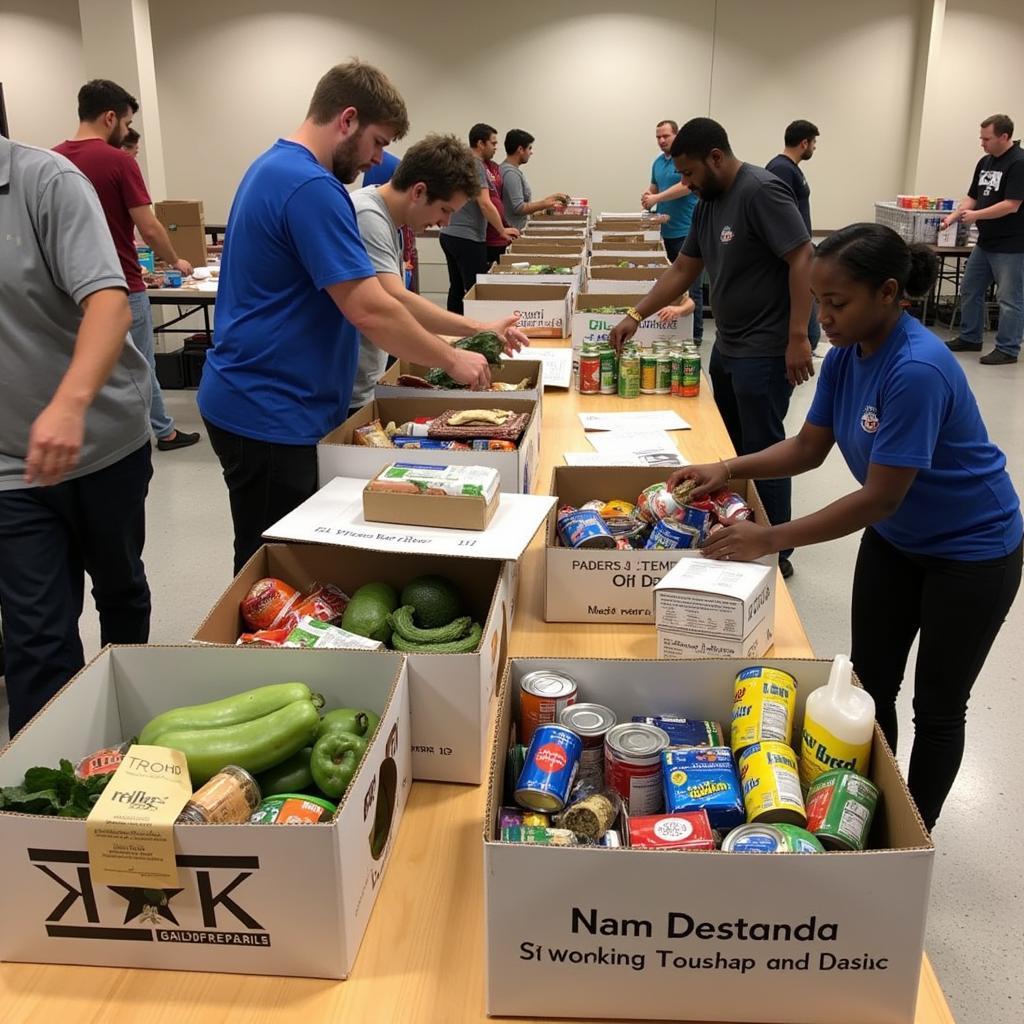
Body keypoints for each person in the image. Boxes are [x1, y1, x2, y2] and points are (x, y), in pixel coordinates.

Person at [669, 223, 1022, 831]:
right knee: (868, 682)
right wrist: (724, 466)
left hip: (972, 553)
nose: (823, 318)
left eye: (837, 303)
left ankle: (910, 838)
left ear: (888, 292)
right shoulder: (847, 352)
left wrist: (770, 537)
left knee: (938, 706)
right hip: (898, 542)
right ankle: (853, 811)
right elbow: (809, 447)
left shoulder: (916, 369)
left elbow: (879, 499)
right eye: (819, 302)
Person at [197, 60, 492, 574]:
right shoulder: (311, 186)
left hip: (266, 402)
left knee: (278, 561)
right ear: (347, 119)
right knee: (274, 572)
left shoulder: (274, 167)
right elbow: (370, 306)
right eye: (378, 143)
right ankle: (262, 658)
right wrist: (455, 360)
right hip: (270, 410)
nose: (378, 160)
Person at [609, 117, 813, 580]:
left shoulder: (762, 190)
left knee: (764, 447)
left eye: (689, 172)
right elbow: (683, 269)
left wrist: (798, 335)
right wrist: (635, 315)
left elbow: (803, 255)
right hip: (730, 343)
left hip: (768, 345)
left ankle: (776, 549)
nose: (684, 183)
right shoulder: (709, 201)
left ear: (715, 158)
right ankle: (738, 527)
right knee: (731, 450)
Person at [0, 135, 154, 735]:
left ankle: (127, 716)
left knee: (119, 588)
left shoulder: (46, 181)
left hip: (101, 442)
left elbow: (110, 304)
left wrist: (68, 404)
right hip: (12, 464)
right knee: (35, 630)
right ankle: (49, 783)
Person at [55, 80, 200, 452]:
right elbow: (149, 226)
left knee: (86, 361)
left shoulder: (52, 160)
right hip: (120, 284)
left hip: (69, 290)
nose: (126, 130)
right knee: (139, 363)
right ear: (109, 118)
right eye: (126, 121)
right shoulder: (119, 162)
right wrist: (175, 260)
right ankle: (163, 431)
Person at [348, 133, 529, 412]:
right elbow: (396, 301)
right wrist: (454, 354)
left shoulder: (390, 224)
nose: (444, 222)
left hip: (363, 383)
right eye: (445, 210)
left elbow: (403, 307)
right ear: (419, 191)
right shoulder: (367, 217)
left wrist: (481, 330)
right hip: (346, 391)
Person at [943, 114, 1024, 365]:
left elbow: (1012, 205)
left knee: (1009, 298)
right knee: (970, 288)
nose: (982, 143)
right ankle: (970, 336)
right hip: (986, 242)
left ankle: (1008, 349)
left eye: (986, 138)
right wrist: (955, 216)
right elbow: (972, 196)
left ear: (1004, 136)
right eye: (981, 138)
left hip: (1012, 244)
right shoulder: (985, 161)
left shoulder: (1019, 163)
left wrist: (975, 215)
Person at [439, 123, 518, 314]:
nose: (495, 147)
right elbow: (484, 202)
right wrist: (501, 230)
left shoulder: (460, 161)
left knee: (456, 288)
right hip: (468, 237)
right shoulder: (476, 164)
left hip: (449, 234)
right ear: (480, 143)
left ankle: (453, 330)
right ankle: (472, 332)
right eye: (493, 143)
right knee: (475, 291)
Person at [642, 119, 703, 345]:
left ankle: (694, 336)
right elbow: (654, 187)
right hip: (665, 232)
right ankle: (674, 330)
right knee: (672, 284)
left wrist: (657, 198)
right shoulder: (658, 162)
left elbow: (685, 186)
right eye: (658, 136)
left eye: (666, 136)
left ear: (676, 136)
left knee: (691, 286)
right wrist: (648, 197)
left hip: (686, 230)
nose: (661, 140)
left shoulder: (684, 161)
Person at [767, 119, 820, 353]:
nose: (815, 148)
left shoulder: (791, 168)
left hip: (801, 249)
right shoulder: (781, 169)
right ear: (804, 142)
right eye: (814, 143)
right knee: (808, 327)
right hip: (791, 253)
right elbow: (779, 214)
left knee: (812, 328)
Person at [500, 129, 570, 233]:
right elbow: (519, 208)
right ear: (520, 149)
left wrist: (550, 200)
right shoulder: (511, 174)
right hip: (513, 232)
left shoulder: (511, 171)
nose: (531, 152)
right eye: (529, 148)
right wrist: (544, 203)